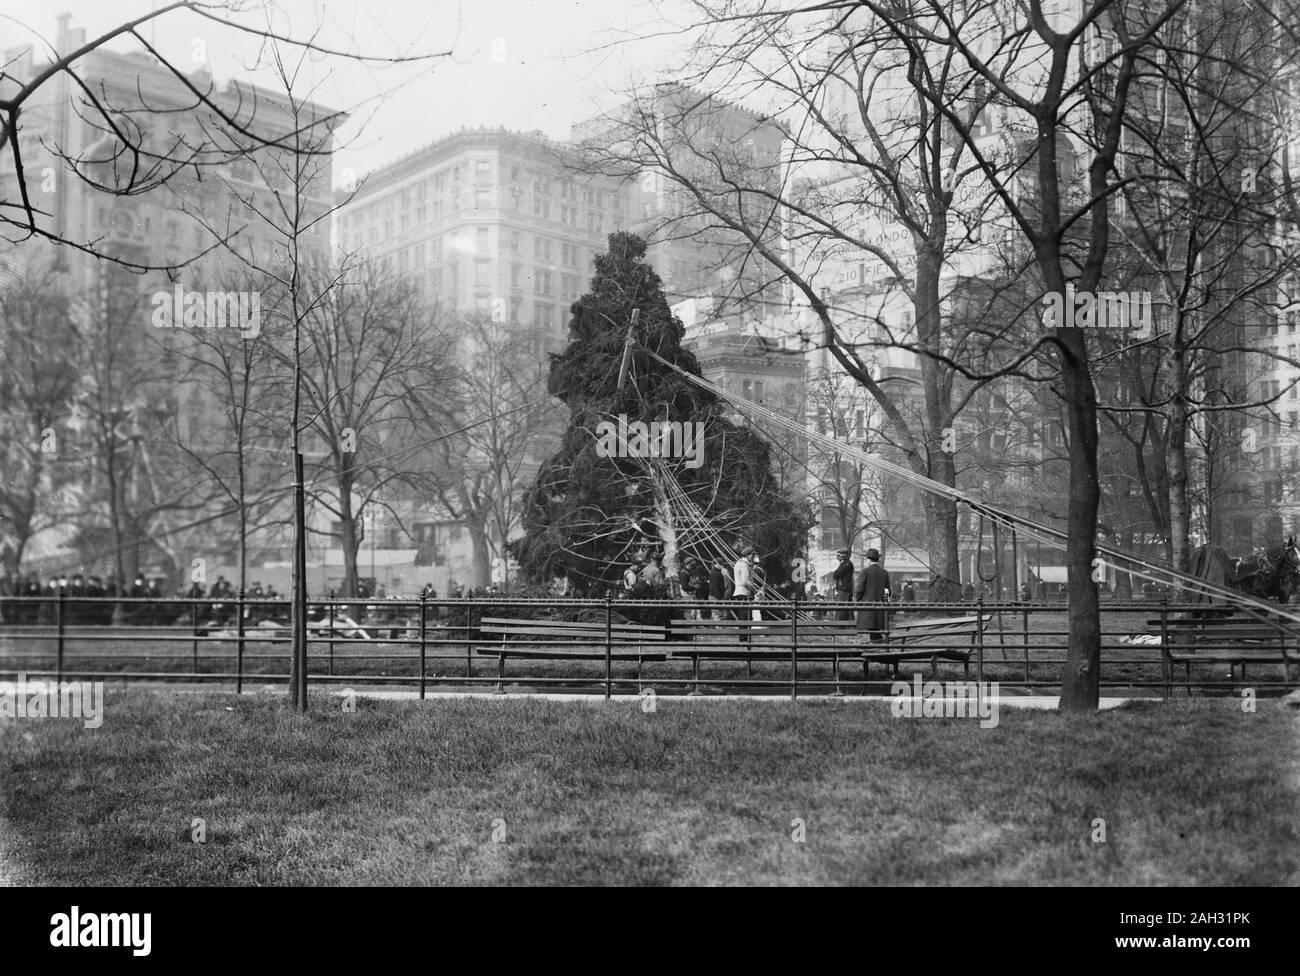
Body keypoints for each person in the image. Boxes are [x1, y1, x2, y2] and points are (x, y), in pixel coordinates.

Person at [854, 548, 891, 643]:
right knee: (876, 624)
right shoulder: (884, 572)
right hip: (880, 602)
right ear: (878, 559)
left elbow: (860, 588)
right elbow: (887, 590)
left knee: (871, 623)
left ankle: (877, 641)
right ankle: (877, 640)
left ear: (868, 560)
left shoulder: (865, 572)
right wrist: (886, 601)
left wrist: (857, 599)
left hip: (868, 602)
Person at [732, 548, 754, 642]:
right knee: (745, 617)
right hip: (744, 593)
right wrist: (755, 591)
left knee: (742, 617)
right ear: (748, 555)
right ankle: (744, 639)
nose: (753, 557)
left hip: (738, 592)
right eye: (752, 555)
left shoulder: (737, 563)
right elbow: (746, 581)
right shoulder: (744, 565)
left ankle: (743, 638)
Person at [832, 548, 855, 621]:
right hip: (844, 589)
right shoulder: (844, 564)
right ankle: (848, 626)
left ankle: (840, 625)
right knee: (847, 609)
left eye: (840, 554)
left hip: (844, 590)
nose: (838, 556)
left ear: (845, 555)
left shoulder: (846, 564)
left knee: (842, 609)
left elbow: (836, 575)